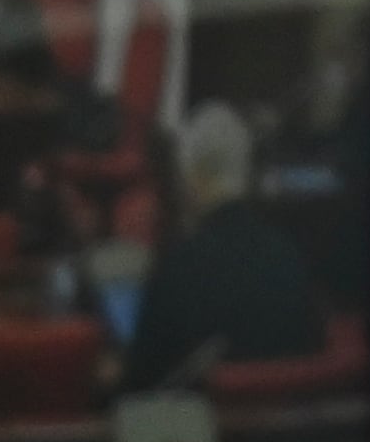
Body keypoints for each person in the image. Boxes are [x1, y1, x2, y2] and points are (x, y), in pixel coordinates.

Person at [127, 104, 333, 388]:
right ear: (246, 174)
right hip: (290, 426)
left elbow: (139, 382)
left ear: (189, 177)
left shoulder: (178, 267)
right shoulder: (290, 257)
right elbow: (314, 353)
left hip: (203, 429)